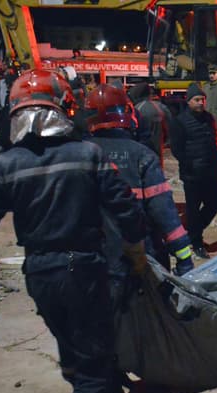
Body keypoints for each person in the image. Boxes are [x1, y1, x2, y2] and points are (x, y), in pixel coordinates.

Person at [0, 69, 147, 393]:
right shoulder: (87, 155)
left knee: (74, 350)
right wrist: (136, 254)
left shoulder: (6, 165)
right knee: (92, 361)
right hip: (85, 269)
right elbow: (126, 210)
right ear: (63, 108)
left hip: (39, 273)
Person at [85, 83, 194, 277]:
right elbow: (163, 211)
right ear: (127, 113)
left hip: (92, 259)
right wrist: (183, 256)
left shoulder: (77, 155)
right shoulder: (142, 155)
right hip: (140, 257)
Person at [169, 83, 217, 259]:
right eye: (197, 99)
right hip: (192, 174)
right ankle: (196, 242)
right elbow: (177, 148)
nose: (201, 102)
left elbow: (214, 142)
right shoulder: (180, 121)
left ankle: (191, 232)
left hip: (210, 172)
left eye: (202, 99)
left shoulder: (208, 118)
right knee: (193, 209)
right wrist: (189, 164)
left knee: (214, 204)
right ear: (189, 101)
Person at [128, 81, 172, 168]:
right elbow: (170, 128)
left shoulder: (136, 110)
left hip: (140, 153)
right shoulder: (161, 107)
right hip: (157, 152)